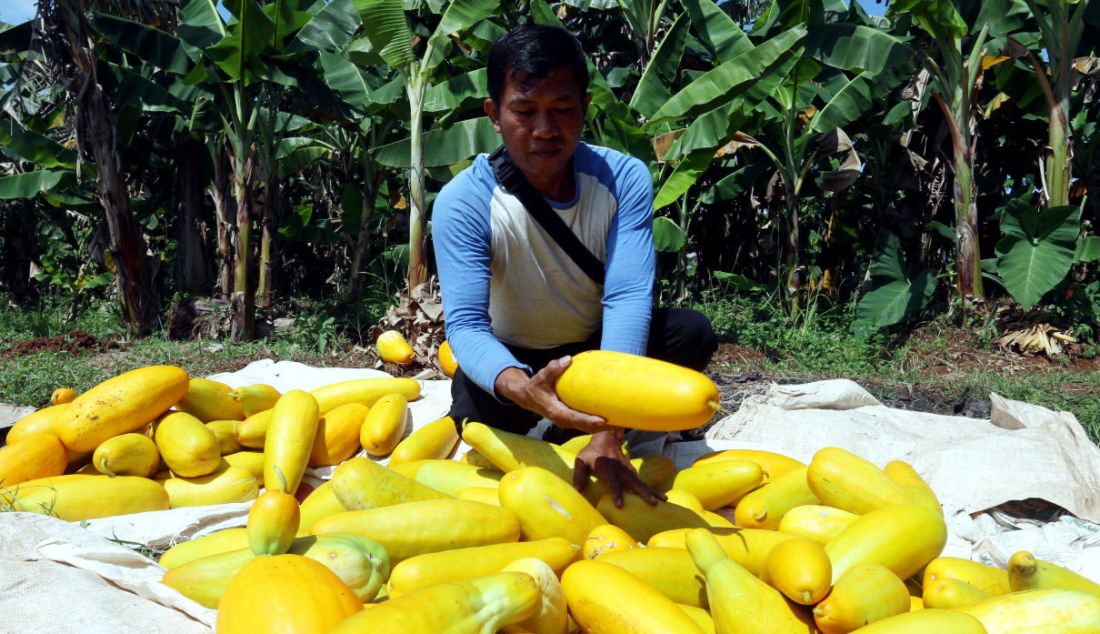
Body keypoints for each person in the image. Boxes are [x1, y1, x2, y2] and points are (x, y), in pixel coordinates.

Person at [433, 23, 717, 506]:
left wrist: (608, 427)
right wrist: (520, 387)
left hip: (594, 353)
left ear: (585, 108)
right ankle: (547, 415)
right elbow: (465, 325)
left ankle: (590, 432)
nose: (545, 130)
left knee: (690, 334)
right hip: (517, 356)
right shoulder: (464, 201)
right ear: (494, 116)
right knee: (476, 425)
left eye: (562, 109)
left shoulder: (622, 177)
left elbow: (626, 297)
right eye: (524, 111)